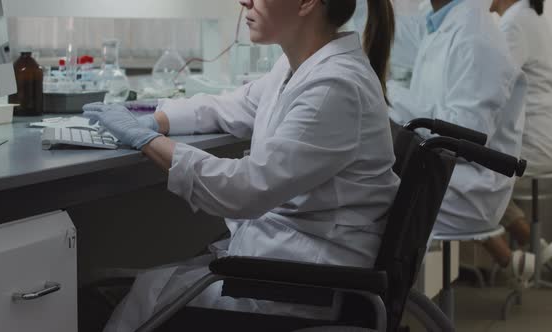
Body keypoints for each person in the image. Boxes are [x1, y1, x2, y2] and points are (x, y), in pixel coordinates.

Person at [83, 0, 399, 331]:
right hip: (282, 266)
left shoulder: (335, 86)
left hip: (302, 288)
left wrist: (144, 140)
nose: (244, 1)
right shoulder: (300, 67)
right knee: (135, 288)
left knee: (133, 295)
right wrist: (156, 120)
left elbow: (243, 191)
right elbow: (231, 106)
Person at [387, 0, 532, 282]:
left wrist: (387, 93)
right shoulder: (442, 22)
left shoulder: (476, 35)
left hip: (470, 184)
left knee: (360, 191)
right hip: (446, 167)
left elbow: (464, 136)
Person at [489, 0, 552, 273]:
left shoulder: (513, 23)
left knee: (461, 175)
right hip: (542, 133)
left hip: (532, 142)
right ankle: (540, 253)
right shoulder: (534, 16)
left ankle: (513, 262)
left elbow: (494, 87)